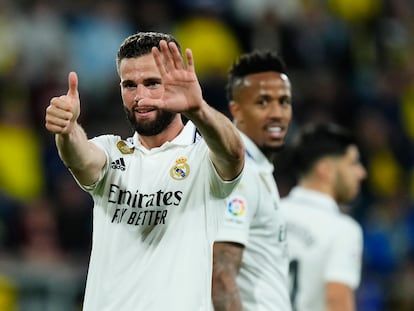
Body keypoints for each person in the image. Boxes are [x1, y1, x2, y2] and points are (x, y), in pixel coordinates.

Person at [44, 31, 245, 311]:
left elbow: (234, 153)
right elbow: (80, 156)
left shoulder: (203, 157)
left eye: (152, 83)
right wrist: (66, 130)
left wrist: (198, 109)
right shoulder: (112, 152)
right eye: (130, 85)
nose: (140, 97)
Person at [211, 50, 292, 311]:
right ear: (236, 109)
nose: (277, 113)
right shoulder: (239, 175)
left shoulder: (259, 170)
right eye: (263, 102)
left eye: (284, 101)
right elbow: (221, 276)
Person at [280, 122, 366, 311]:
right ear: (325, 169)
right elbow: (337, 300)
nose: (361, 173)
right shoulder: (343, 230)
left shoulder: (270, 213)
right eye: (353, 163)